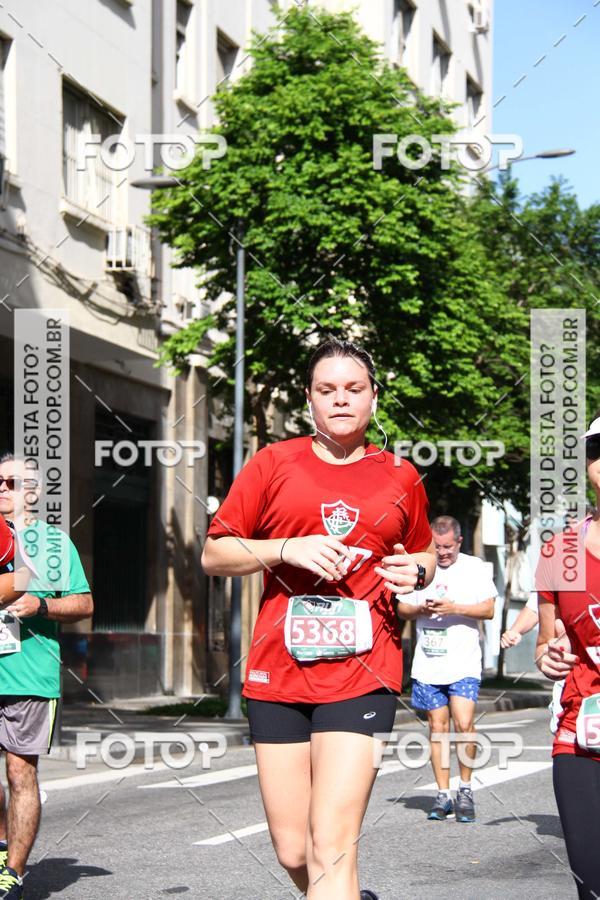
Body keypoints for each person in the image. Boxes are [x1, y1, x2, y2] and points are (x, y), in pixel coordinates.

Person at [202, 339, 436, 900]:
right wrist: (287, 549)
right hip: (277, 674)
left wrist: (417, 572)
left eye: (354, 389)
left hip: (364, 673)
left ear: (374, 397)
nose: (341, 400)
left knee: (331, 844)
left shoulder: (401, 475)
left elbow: (424, 552)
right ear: (309, 399)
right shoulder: (272, 464)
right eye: (327, 390)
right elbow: (215, 554)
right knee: (294, 851)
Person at [0, 454, 93, 900]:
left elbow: (83, 604)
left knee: (20, 773)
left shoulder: (54, 545)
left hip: (29, 677)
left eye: (12, 482)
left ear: (34, 492)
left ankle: (12, 873)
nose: (2, 488)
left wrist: (40, 605)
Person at [396, 515, 497, 823]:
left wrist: (455, 608)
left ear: (459, 542)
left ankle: (465, 789)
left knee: (464, 723)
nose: (442, 553)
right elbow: (402, 608)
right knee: (437, 728)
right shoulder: (420, 567)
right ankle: (443, 794)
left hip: (464, 663)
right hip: (429, 664)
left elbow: (489, 609)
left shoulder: (474, 568)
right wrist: (420, 608)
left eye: (448, 547)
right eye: (437, 547)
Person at [536, 417, 600, 900]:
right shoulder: (561, 552)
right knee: (591, 883)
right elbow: (545, 642)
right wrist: (548, 656)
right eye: (597, 451)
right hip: (582, 732)